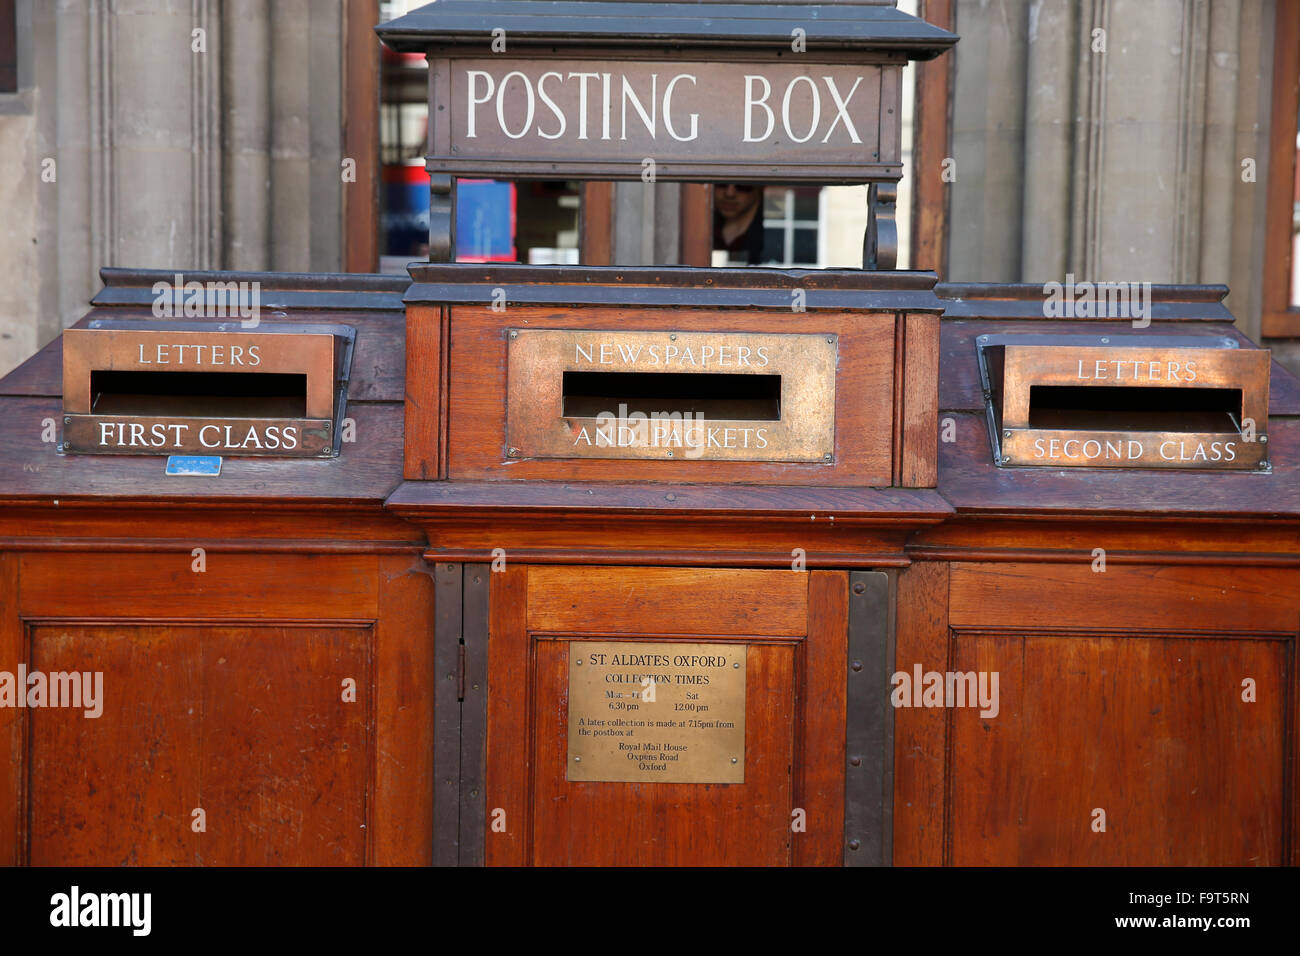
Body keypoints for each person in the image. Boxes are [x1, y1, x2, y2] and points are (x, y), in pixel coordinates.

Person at [712, 183, 778, 265]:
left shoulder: (779, 230)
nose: (729, 194)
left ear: (760, 187)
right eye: (721, 183)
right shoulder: (700, 224)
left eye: (741, 185)